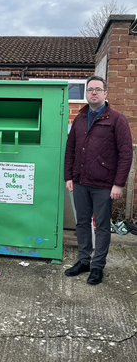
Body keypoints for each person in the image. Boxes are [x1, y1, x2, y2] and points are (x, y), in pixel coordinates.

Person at [64, 75, 132, 284]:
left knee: (102, 226)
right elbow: (70, 150)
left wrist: (118, 184)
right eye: (90, 89)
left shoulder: (117, 119)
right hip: (81, 182)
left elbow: (126, 153)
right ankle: (84, 261)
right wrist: (69, 176)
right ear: (86, 94)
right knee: (82, 224)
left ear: (105, 93)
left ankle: (97, 266)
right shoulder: (80, 118)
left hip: (104, 185)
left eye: (97, 89)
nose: (93, 92)